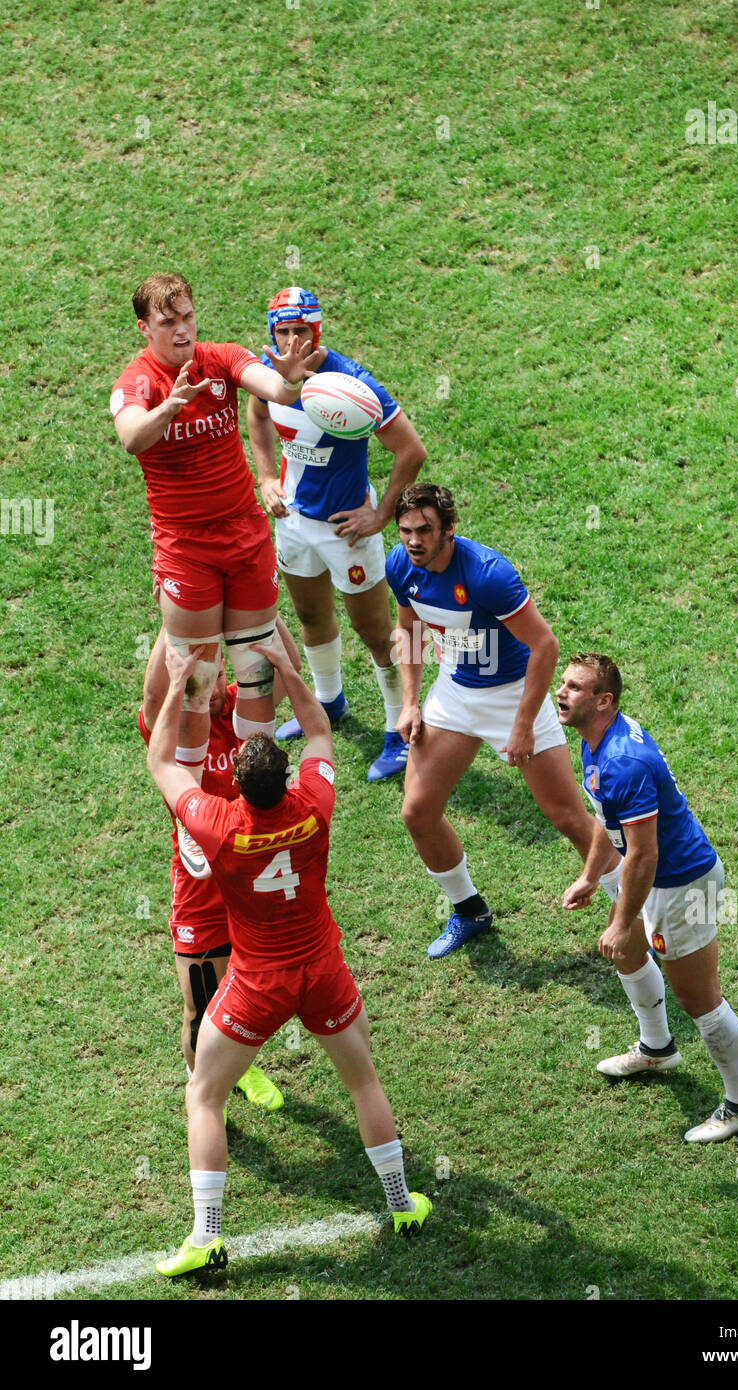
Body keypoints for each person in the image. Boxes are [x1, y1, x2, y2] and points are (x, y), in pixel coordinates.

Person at [146, 628, 431, 1277]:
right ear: (286, 779)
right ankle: (401, 1202)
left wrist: (175, 685)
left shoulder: (219, 827)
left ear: (240, 790)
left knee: (204, 1095)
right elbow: (321, 734)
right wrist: (286, 670)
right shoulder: (315, 805)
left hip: (256, 983)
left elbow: (163, 762)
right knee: (363, 1081)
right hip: (323, 970)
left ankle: (208, 1236)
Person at [111, 272, 321, 870]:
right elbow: (131, 438)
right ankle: (193, 816)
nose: (181, 330)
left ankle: (252, 804)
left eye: (187, 317)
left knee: (256, 673)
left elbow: (270, 390)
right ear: (144, 328)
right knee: (198, 679)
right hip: (186, 549)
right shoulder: (136, 383)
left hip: (246, 537)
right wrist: (169, 407)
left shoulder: (220, 358)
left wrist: (284, 376)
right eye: (167, 321)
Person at [387, 483, 603, 958]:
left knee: (567, 817)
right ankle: (469, 910)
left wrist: (523, 724)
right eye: (405, 531)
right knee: (417, 813)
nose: (414, 541)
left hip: (513, 695)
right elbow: (408, 629)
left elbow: (544, 646)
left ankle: (633, 910)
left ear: (449, 529)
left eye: (425, 530)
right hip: (456, 692)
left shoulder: (487, 575)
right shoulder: (401, 565)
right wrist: (410, 701)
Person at [557, 652, 738, 1144]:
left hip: (682, 885)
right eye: (562, 683)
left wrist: (621, 918)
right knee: (627, 951)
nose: (560, 693)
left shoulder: (621, 763)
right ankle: (657, 1048)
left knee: (701, 1001)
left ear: (603, 701)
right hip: (659, 879)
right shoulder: (597, 740)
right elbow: (611, 826)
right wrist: (591, 877)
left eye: (574, 687)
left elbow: (645, 855)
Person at [246, 287, 427, 781]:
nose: (291, 342)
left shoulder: (351, 384)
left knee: (373, 632)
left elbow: (411, 449)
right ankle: (328, 706)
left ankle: (400, 732)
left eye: (300, 330)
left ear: (317, 331)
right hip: (293, 523)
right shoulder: (268, 374)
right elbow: (258, 415)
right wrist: (265, 477)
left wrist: (381, 514)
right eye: (281, 332)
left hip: (347, 531)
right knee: (309, 615)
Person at [138, 616, 304, 1111]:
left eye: (215, 670)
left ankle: (239, 1064)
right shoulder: (173, 723)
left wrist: (259, 611)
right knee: (201, 1001)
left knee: (246, 993)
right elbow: (150, 700)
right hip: (200, 886)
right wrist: (179, 614)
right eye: (199, 671)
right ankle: (203, 1095)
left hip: (255, 878)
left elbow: (289, 669)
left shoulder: (241, 706)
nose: (208, 684)